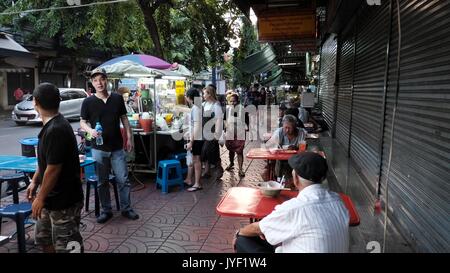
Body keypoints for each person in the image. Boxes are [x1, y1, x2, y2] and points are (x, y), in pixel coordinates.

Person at [233, 152, 350, 253]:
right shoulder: (338, 201)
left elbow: (258, 228)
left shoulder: (295, 208)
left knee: (242, 240)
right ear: (323, 178)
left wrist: (239, 233)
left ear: (296, 179)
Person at [26, 83, 84, 253]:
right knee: (44, 239)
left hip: (64, 201)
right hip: (50, 199)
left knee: (68, 246)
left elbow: (53, 169)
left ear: (35, 102)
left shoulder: (56, 129)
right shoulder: (50, 126)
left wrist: (40, 198)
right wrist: (35, 181)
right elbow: (45, 162)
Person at [80, 67, 139, 223]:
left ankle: (126, 208)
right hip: (98, 149)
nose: (99, 83)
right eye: (95, 80)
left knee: (123, 179)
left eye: (102, 79)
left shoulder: (117, 98)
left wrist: (129, 137)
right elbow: (82, 122)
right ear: (92, 83)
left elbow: (124, 119)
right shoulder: (88, 102)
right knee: (102, 181)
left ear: (106, 80)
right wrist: (90, 131)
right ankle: (106, 210)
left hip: (117, 147)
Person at [266, 114, 307, 180]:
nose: (287, 130)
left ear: (295, 126)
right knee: (280, 164)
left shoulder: (301, 133)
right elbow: (269, 146)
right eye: (285, 127)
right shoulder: (279, 132)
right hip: (281, 160)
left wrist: (296, 148)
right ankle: (279, 179)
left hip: (296, 159)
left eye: (290, 128)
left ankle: (295, 179)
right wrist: (275, 147)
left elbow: (303, 148)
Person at [200, 85, 224, 182]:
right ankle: (207, 171)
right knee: (206, 152)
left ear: (209, 94)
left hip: (212, 131)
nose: (203, 95)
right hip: (204, 131)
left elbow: (219, 119)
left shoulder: (216, 105)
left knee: (210, 151)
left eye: (204, 93)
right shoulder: (204, 104)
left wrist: (217, 133)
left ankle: (219, 168)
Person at [184, 88, 204, 191]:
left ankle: (197, 183)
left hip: (197, 138)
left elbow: (196, 126)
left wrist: (191, 141)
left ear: (190, 97)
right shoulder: (197, 107)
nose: (185, 98)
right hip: (197, 137)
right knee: (196, 160)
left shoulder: (196, 108)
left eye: (186, 96)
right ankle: (194, 181)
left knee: (196, 160)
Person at [224, 93, 246, 177]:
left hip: (239, 133)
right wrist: (226, 126)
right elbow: (225, 120)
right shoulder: (228, 109)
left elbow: (246, 121)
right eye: (231, 101)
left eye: (234, 101)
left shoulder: (242, 109)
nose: (233, 103)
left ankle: (240, 169)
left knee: (240, 151)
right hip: (230, 132)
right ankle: (231, 163)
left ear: (238, 101)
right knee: (230, 149)